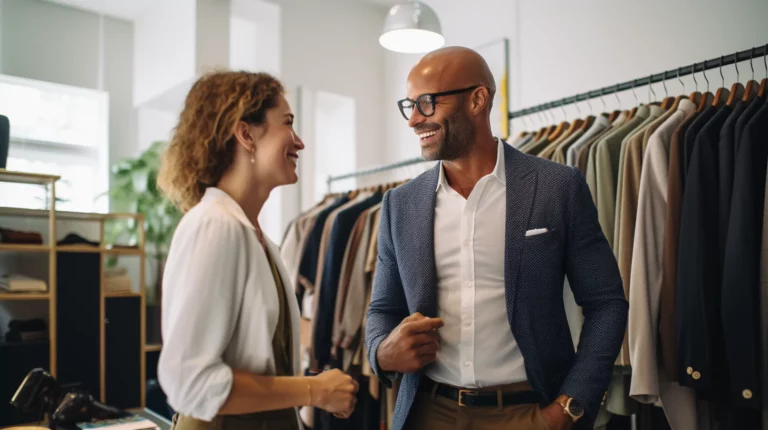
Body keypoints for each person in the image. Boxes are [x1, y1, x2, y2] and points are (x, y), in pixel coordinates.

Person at [365, 47, 628, 430]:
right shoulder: (399, 205)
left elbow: (606, 303)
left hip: (530, 412)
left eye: (427, 103)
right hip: (429, 411)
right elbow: (383, 309)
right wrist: (381, 352)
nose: (414, 120)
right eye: (410, 105)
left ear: (477, 99)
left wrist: (569, 406)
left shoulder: (557, 187)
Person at [156, 71, 359, 430]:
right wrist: (312, 390)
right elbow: (189, 382)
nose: (299, 142)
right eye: (288, 124)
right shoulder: (214, 226)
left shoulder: (258, 239)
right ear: (246, 134)